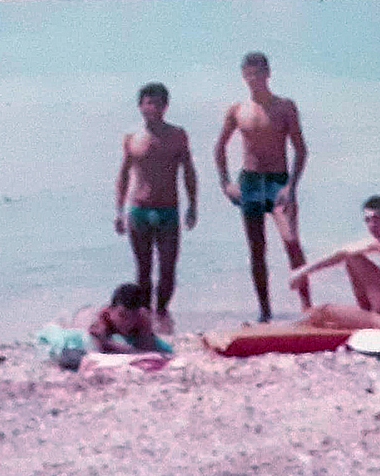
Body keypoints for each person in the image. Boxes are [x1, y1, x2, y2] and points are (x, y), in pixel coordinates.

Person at [215, 52, 310, 323]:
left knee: (291, 242)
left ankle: (307, 307)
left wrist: (291, 186)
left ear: (268, 73)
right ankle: (265, 311)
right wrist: (225, 183)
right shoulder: (237, 110)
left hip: (279, 181)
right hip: (250, 182)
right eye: (249, 74)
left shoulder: (285, 107)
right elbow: (219, 148)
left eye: (258, 73)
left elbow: (301, 150)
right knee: (257, 249)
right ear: (244, 76)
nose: (254, 79)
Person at [114, 82, 197, 335]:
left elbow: (189, 171)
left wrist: (193, 205)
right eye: (149, 102)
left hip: (168, 211)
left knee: (168, 270)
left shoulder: (177, 135)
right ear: (140, 106)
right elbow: (123, 175)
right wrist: (119, 211)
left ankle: (162, 314)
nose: (154, 107)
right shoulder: (132, 138)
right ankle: (145, 319)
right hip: (138, 210)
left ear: (166, 106)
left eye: (159, 102)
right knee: (143, 270)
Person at [290, 195, 380, 329]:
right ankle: (366, 314)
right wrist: (303, 272)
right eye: (368, 220)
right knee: (352, 258)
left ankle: (294, 330)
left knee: (324, 311)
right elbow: (342, 253)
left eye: (377, 219)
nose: (372, 225)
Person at [88, 282, 169, 353]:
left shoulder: (143, 318)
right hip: (117, 339)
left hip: (134, 339)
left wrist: (109, 344)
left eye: (134, 316)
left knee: (166, 350)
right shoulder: (104, 318)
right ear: (111, 310)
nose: (128, 322)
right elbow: (101, 348)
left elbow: (146, 351)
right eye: (122, 315)